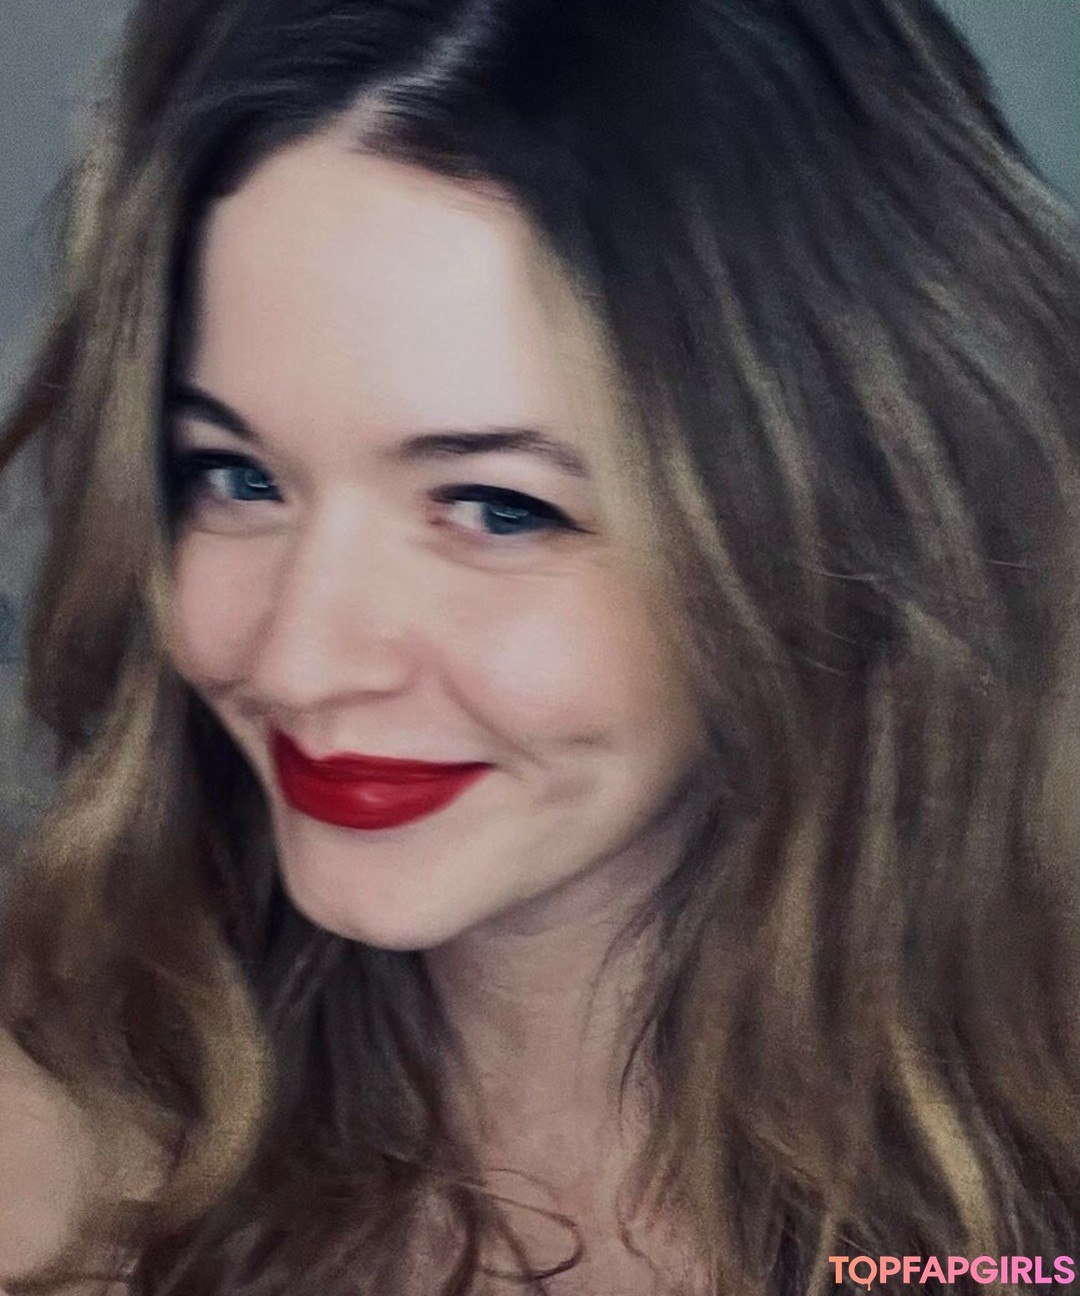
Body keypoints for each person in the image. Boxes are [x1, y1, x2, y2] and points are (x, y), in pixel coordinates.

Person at [1, 0, 1078, 1292]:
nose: (297, 662)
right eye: (236, 476)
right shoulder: (49, 1167)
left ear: (846, 526)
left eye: (499, 507)